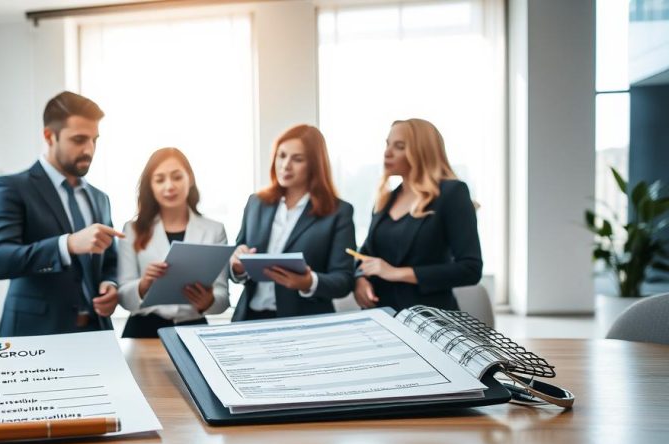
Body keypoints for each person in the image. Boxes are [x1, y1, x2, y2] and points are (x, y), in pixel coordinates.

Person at [0, 91, 123, 336]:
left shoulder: (100, 198)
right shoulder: (12, 188)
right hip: (35, 337)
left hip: (95, 335)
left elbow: (110, 260)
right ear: (49, 136)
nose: (89, 149)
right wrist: (67, 245)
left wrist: (111, 285)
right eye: (79, 139)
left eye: (95, 140)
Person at [353, 118, 483, 312]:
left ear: (422, 151)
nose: (387, 152)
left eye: (399, 146)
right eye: (387, 144)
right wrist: (359, 279)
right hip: (381, 318)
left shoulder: (452, 193)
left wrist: (397, 273)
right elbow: (365, 254)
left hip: (429, 322)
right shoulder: (385, 200)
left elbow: (470, 269)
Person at [229, 124, 356, 321]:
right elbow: (238, 256)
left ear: (314, 165)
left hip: (303, 322)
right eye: (282, 155)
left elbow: (344, 280)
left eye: (297, 159)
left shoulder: (338, 212)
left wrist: (308, 282)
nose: (285, 165)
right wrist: (236, 264)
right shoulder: (256, 203)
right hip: (249, 318)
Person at [117, 148, 230, 338]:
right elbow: (123, 296)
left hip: (194, 329)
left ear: (190, 179)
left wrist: (208, 301)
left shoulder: (214, 230)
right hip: (143, 330)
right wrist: (144, 285)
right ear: (150, 186)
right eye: (160, 179)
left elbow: (223, 297)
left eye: (177, 177)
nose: (169, 186)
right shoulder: (132, 229)